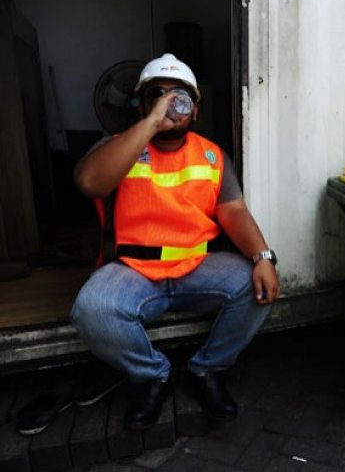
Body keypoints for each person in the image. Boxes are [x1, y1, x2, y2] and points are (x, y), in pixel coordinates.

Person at [71, 53, 280, 430]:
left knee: (257, 285)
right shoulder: (118, 146)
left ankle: (205, 370)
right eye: (158, 93)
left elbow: (234, 212)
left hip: (198, 267)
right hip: (132, 271)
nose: (171, 102)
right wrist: (151, 123)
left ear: (195, 109)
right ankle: (152, 375)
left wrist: (263, 256)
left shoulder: (212, 155)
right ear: (141, 102)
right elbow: (90, 183)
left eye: (180, 95)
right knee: (93, 309)